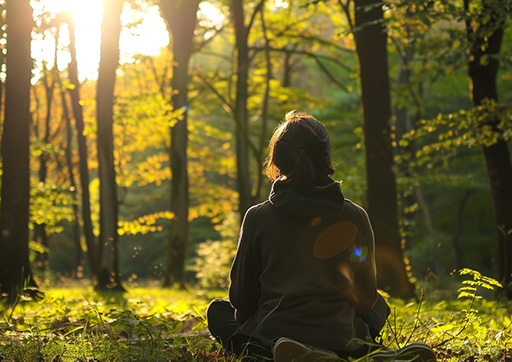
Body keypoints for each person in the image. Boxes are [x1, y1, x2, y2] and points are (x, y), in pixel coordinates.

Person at [207, 111, 436, 362]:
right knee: (380, 305)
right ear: (326, 159)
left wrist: (253, 320)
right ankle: (363, 353)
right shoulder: (355, 216)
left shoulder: (258, 217)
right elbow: (367, 297)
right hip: (342, 334)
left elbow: (242, 298)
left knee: (218, 311)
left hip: (276, 332)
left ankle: (270, 352)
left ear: (278, 161)